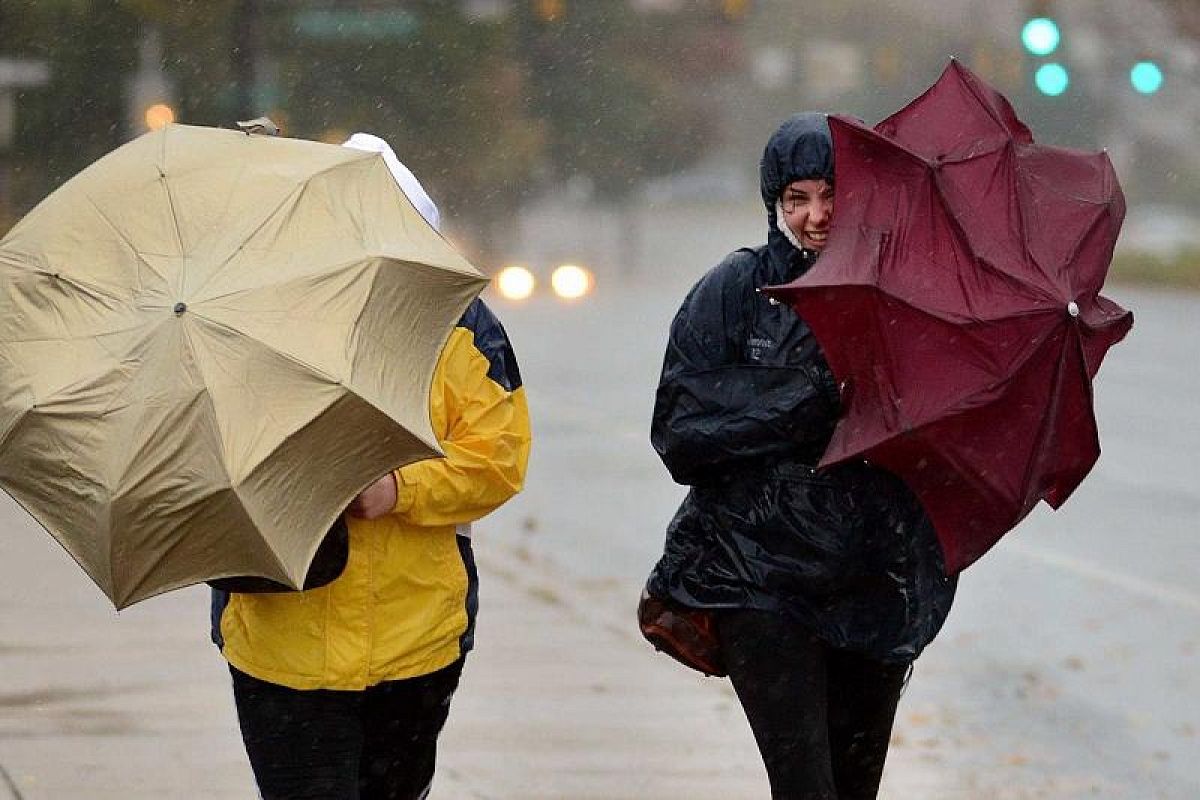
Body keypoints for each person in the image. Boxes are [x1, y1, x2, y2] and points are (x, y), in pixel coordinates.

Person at [645, 112, 957, 799]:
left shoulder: (905, 294)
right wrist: (804, 400)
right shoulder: (735, 292)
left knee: (853, 786)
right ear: (774, 202)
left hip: (875, 584)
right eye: (797, 198)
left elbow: (940, 442)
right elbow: (680, 431)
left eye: (831, 195)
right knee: (804, 786)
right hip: (759, 580)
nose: (816, 215)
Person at [210, 133, 531, 800]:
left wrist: (399, 489)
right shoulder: (251, 323)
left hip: (416, 644)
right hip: (280, 646)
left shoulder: (466, 331)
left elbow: (498, 458)